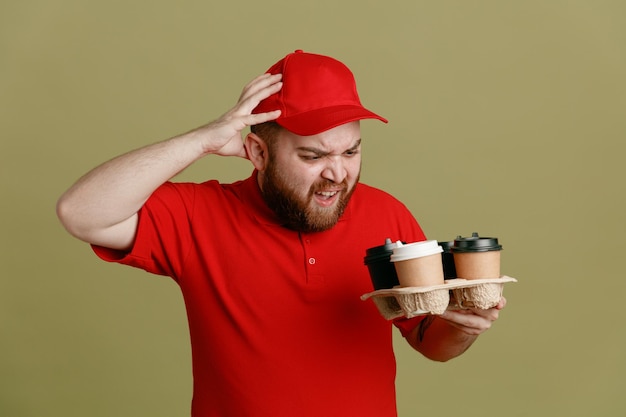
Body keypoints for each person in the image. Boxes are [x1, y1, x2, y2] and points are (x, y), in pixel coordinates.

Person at [56, 50, 507, 417]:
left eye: (351, 151)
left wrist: (460, 327)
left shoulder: (387, 213)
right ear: (256, 152)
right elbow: (81, 213)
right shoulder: (200, 213)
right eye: (312, 157)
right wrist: (203, 139)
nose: (337, 173)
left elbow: (431, 343)